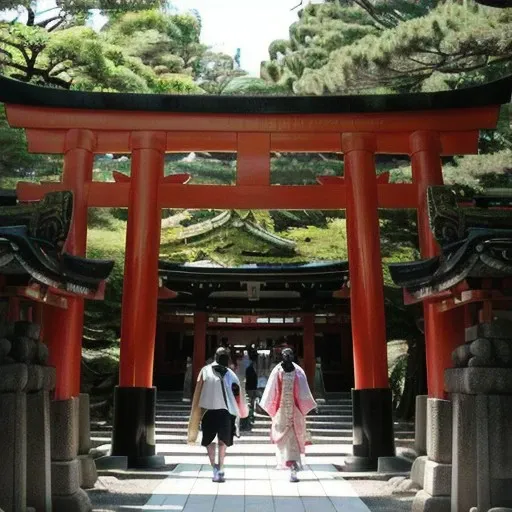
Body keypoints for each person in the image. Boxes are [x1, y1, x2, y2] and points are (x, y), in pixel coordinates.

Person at [187, 347, 248, 482]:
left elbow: (237, 393)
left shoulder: (230, 374)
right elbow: (198, 390)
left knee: (223, 441)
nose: (224, 357)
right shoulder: (205, 371)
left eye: (225, 355)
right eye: (222, 355)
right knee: (209, 440)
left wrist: (240, 409)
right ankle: (214, 466)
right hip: (208, 411)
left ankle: (220, 467)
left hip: (225, 412)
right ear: (216, 356)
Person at [259, 347, 316, 482]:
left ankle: (294, 466)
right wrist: (269, 405)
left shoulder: (298, 372)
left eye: (290, 354)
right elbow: (271, 389)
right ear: (282, 356)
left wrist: (306, 406)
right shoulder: (277, 371)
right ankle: (286, 463)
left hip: (295, 410)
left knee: (294, 438)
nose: (288, 357)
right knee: (283, 439)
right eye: (285, 355)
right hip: (282, 409)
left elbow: (304, 390)